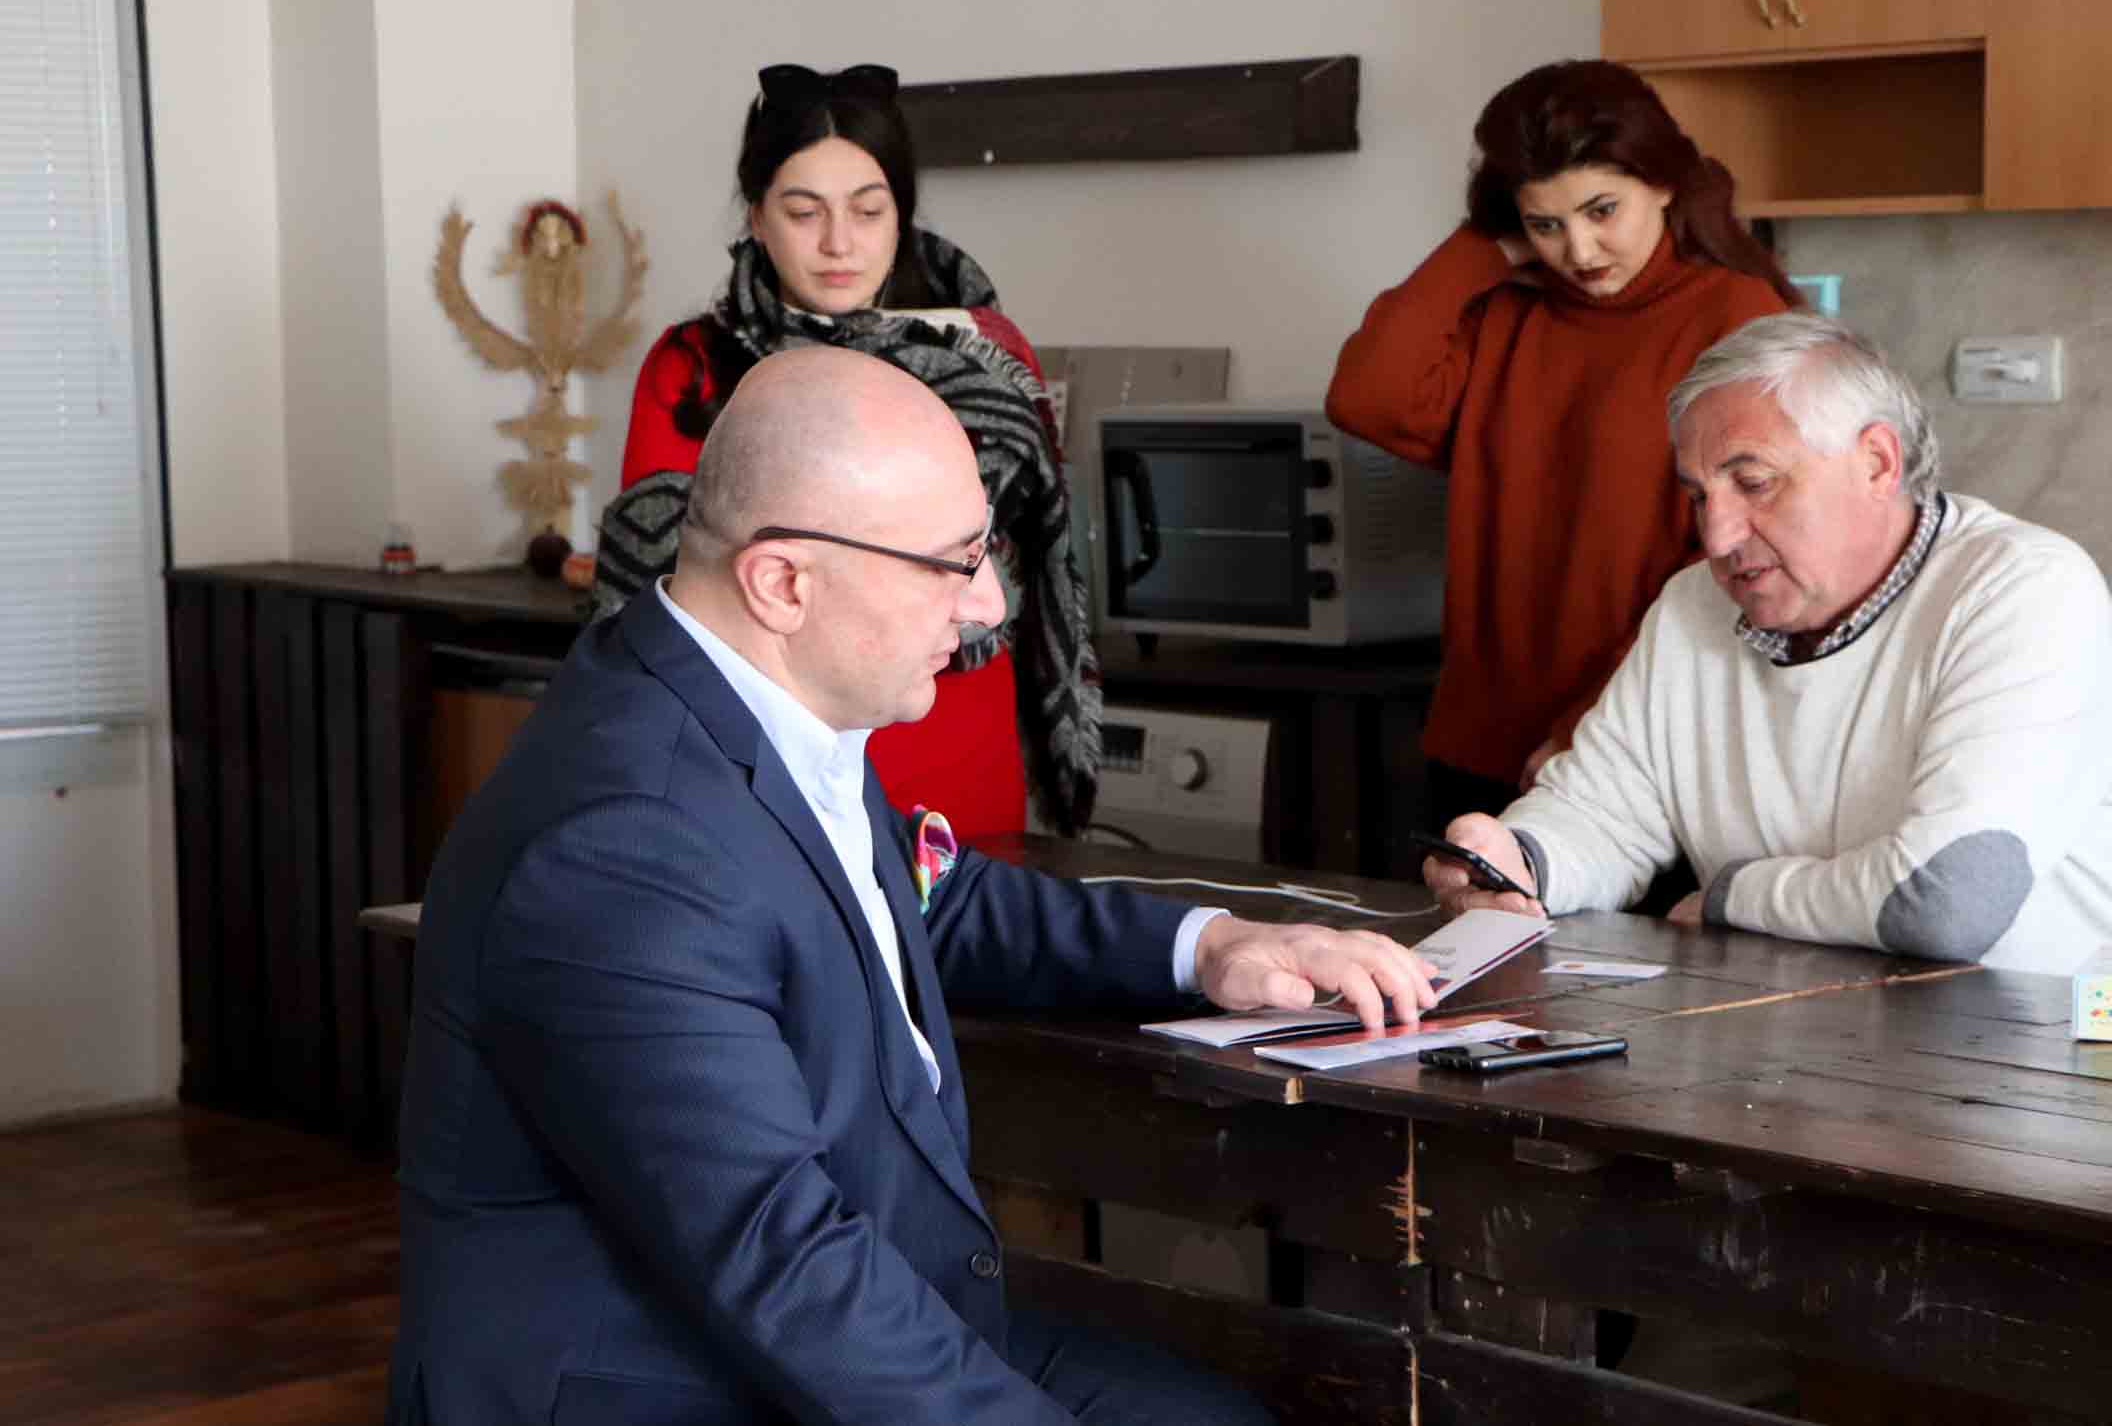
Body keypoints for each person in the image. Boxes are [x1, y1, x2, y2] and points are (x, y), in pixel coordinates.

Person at [388, 346, 1438, 1424]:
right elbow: (782, 1261)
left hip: (812, 1330)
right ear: (784, 582)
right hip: (680, 1384)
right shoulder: (627, 846)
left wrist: (1211, 946)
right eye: (951, 562)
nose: (987, 602)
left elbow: (925, 898)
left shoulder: (733, 695)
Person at [1426, 314, 2112, 976]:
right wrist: (1517, 860)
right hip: (1840, 1051)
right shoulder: (1693, 606)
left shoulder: (2024, 589)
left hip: (2082, 1067)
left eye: (1753, 482)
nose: (1716, 535)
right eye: (1698, 495)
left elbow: (1946, 900)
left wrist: (1733, 896)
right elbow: (1605, 813)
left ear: (1877, 463)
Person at [603, 60, 1093, 841]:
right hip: (766, 758)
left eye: (868, 210)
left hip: (959, 740)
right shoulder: (693, 365)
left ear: (901, 214)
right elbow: (666, 585)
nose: (839, 243)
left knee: (970, 908)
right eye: (804, 212)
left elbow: (1042, 566)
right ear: (757, 218)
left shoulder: (990, 358)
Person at [1328, 59, 1799, 828]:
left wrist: (1589, 726)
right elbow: (1365, 399)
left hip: (1635, 748)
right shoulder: (1509, 309)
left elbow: (1726, 564)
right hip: (1482, 742)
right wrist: (1479, 250)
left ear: (1664, 183)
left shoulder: (1739, 318)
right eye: (1545, 225)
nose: (1579, 251)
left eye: (1602, 210)